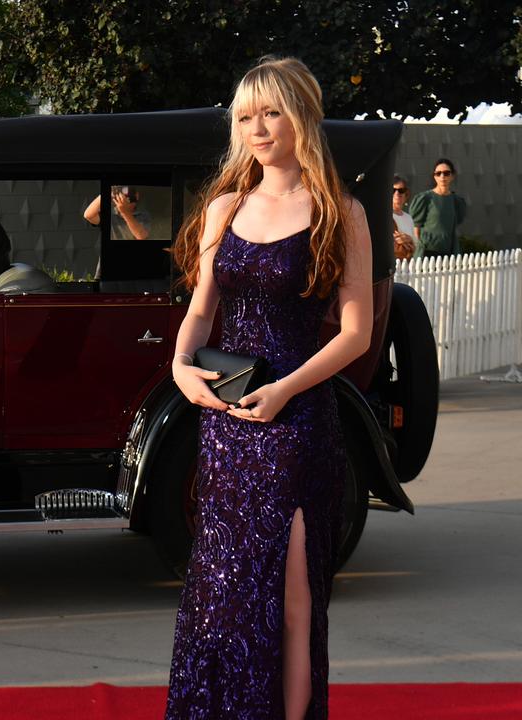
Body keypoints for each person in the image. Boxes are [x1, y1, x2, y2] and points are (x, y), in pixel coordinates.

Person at [167, 56, 373, 719]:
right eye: (245, 116)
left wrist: (284, 390)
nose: (257, 128)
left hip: (297, 422)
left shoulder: (341, 211)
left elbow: (356, 333)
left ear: (303, 116)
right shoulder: (224, 206)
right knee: (223, 591)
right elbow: (201, 309)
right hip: (226, 424)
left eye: (271, 112)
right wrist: (179, 366)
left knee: (291, 596)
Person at [408, 158, 468, 257]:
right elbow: (416, 229)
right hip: (427, 253)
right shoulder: (425, 198)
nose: (442, 176)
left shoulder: (456, 201)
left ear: (452, 176)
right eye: (438, 173)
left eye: (446, 173)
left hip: (449, 253)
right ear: (434, 176)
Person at [83, 185, 152, 240]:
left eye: (127, 193)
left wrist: (125, 213)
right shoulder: (111, 213)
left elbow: (141, 236)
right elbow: (88, 215)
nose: (124, 197)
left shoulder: (143, 214)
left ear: (136, 195)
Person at [392, 174, 415, 260]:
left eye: (401, 190)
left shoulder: (409, 218)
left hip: (408, 265)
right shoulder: (384, 218)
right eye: (393, 190)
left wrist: (409, 240)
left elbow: (415, 246)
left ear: (406, 194)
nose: (397, 194)